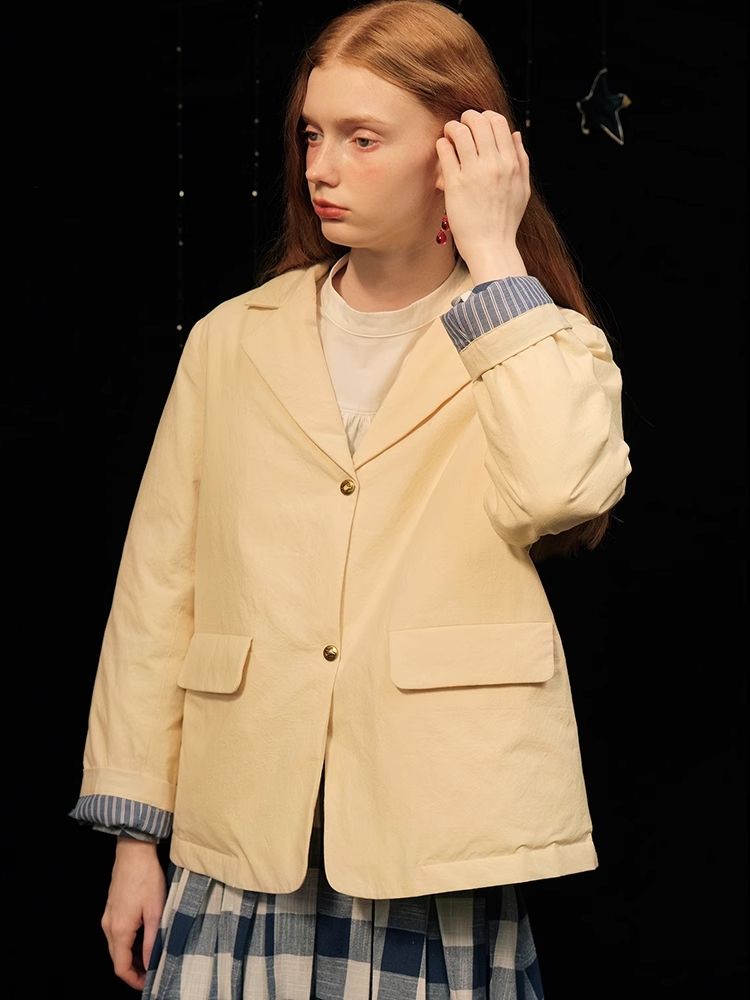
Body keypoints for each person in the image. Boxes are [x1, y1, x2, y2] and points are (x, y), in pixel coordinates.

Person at [69, 1, 632, 996]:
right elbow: (158, 592)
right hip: (243, 821)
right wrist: (133, 841)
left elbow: (558, 492)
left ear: (461, 151)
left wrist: (497, 257)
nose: (321, 168)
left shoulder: (538, 339)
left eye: (362, 138)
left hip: (436, 823)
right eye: (311, 135)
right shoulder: (232, 340)